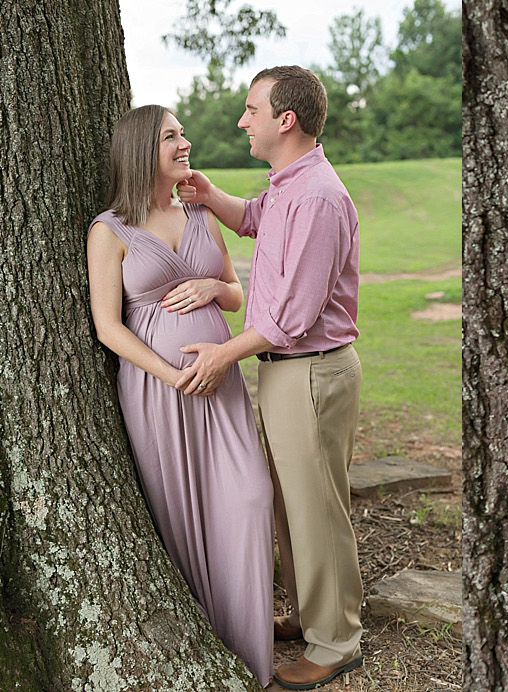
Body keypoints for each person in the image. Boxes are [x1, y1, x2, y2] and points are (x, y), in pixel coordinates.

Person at [176, 65, 364, 690]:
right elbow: (254, 216)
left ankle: (335, 642)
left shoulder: (316, 196)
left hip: (309, 372)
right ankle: (313, 616)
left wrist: (219, 357)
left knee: (316, 510)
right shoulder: (289, 184)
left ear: (286, 120)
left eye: (251, 109)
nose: (241, 120)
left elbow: (291, 317)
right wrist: (207, 196)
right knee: (290, 504)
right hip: (290, 374)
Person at [85, 105, 273, 686]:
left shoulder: (198, 208)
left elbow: (237, 295)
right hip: (159, 391)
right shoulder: (109, 230)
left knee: (249, 497)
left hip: (224, 385)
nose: (185, 142)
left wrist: (213, 284)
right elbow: (107, 327)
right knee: (183, 514)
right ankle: (212, 648)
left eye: (183, 133)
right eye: (172, 136)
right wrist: (174, 376)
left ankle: (253, 650)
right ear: (144, 149)